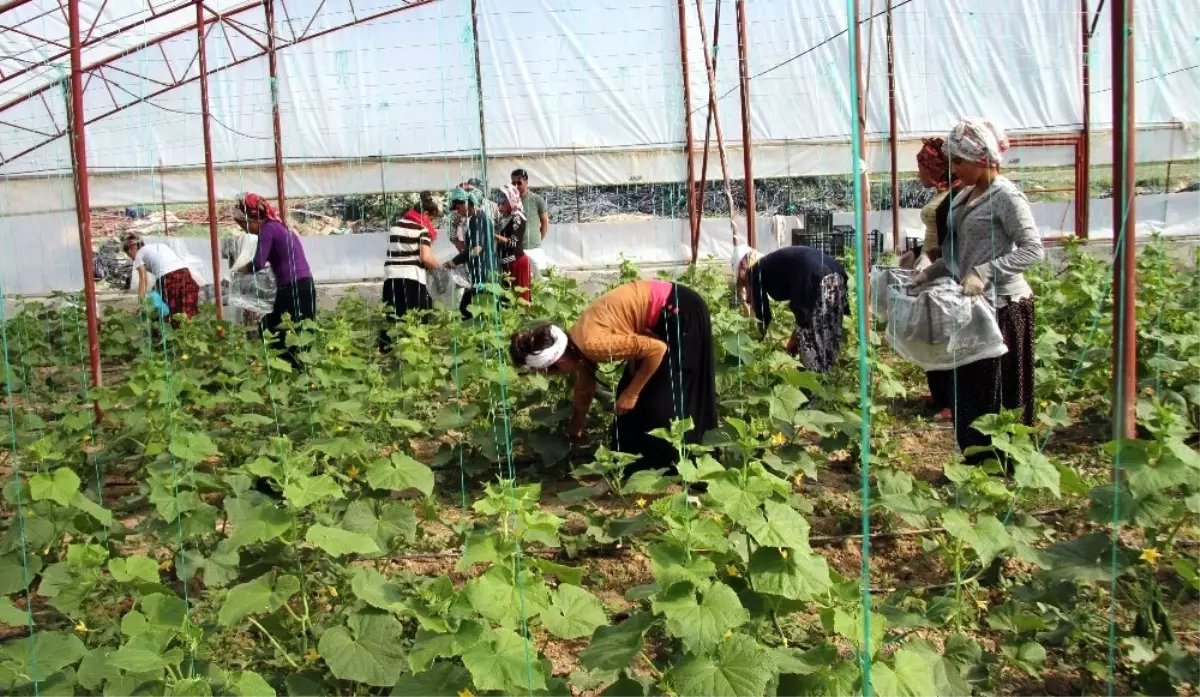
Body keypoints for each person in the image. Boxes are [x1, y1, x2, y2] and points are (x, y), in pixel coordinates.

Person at [911, 118, 1044, 467]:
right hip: (971, 306)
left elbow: (1033, 249)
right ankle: (976, 464)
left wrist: (986, 271)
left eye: (961, 162)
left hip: (1004, 307)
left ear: (982, 158)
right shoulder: (963, 198)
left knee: (1002, 390)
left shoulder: (1006, 196)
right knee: (969, 389)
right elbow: (957, 255)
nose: (955, 169)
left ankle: (1009, 465)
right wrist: (929, 274)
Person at [509, 280, 717, 472]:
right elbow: (585, 389)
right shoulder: (577, 344)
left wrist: (632, 393)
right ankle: (634, 469)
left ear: (559, 362)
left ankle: (688, 469)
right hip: (660, 319)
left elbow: (656, 350)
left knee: (661, 401)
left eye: (552, 372)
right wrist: (575, 428)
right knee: (629, 407)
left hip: (681, 310)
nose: (557, 375)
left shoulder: (591, 345)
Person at [905, 138, 963, 420]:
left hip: (946, 270)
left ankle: (952, 401)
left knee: (946, 334)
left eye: (922, 167)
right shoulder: (942, 193)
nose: (919, 174)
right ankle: (939, 394)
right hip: (930, 268)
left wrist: (931, 257)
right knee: (931, 333)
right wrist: (917, 254)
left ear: (936, 167)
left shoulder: (957, 195)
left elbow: (951, 239)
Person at [733, 244, 849, 373]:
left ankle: (814, 389)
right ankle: (828, 383)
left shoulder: (755, 271)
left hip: (814, 278)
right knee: (828, 339)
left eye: (744, 285)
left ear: (743, 270)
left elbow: (763, 318)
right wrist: (794, 339)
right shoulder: (770, 264)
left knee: (812, 354)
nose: (746, 291)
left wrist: (756, 346)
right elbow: (805, 311)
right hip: (835, 274)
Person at [234, 193, 316, 367]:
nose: (246, 229)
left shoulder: (267, 229)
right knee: (302, 331)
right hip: (305, 284)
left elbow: (258, 262)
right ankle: (303, 373)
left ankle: (285, 369)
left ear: (253, 218)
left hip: (291, 287)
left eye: (244, 224)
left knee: (272, 328)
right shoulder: (280, 226)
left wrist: (239, 270)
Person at [379, 194, 442, 351]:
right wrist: (440, 268)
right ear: (426, 214)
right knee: (420, 315)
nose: (431, 223)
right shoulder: (422, 229)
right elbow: (426, 258)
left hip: (391, 278)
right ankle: (417, 351)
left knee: (394, 316)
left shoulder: (395, 227)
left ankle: (385, 350)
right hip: (412, 279)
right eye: (432, 219)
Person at [445, 186, 497, 319]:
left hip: (482, 273)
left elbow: (476, 249)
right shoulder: (481, 217)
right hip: (484, 271)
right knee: (476, 309)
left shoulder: (477, 219)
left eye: (458, 208)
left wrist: (454, 262)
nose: (458, 211)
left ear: (467, 203)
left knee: (470, 309)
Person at [123, 234, 201, 322]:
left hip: (169, 278)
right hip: (184, 273)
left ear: (132, 248)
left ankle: (175, 331)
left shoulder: (139, 255)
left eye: (129, 254)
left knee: (173, 312)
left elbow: (143, 279)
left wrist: (141, 303)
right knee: (187, 308)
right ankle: (191, 332)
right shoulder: (159, 246)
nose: (131, 258)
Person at [495, 183, 531, 304]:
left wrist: (495, 237)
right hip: (506, 265)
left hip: (517, 263)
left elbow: (513, 242)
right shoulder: (504, 218)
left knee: (519, 299)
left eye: (503, 202)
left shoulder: (518, 218)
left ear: (511, 201)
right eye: (499, 202)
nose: (500, 205)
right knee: (507, 299)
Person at [511, 169, 550, 279]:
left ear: (526, 182)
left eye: (519, 183)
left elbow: (545, 222)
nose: (516, 186)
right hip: (518, 249)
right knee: (522, 281)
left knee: (542, 281)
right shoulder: (511, 202)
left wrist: (538, 239)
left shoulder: (536, 199)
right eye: (513, 183)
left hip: (535, 249)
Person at [446, 178, 498, 254]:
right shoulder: (461, 207)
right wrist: (458, 244)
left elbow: (501, 226)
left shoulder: (492, 207)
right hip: (471, 249)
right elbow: (450, 224)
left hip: (489, 251)